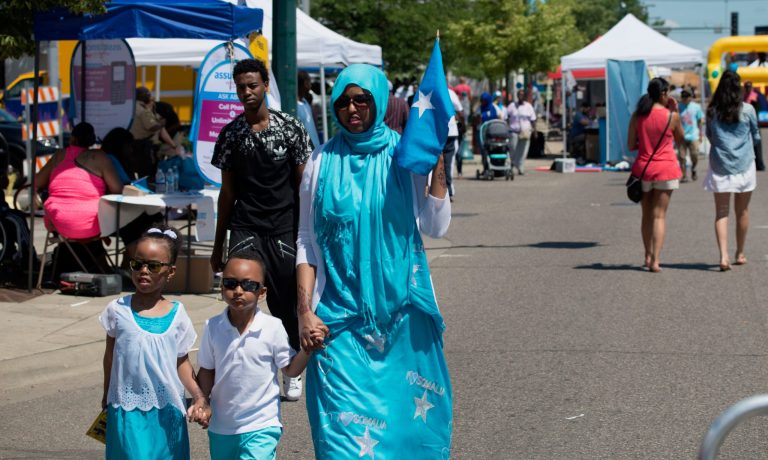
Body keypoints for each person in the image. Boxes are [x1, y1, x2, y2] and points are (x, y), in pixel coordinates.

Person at [295, 64, 453, 458]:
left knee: (406, 435)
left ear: (379, 102)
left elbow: (435, 226)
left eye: (362, 100)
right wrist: (304, 311)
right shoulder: (319, 163)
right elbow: (307, 241)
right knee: (342, 441)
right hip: (339, 319)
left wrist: (436, 163)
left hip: (403, 315)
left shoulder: (405, 154)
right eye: (343, 101)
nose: (352, 108)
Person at [210, 58, 314, 401]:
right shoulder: (230, 135)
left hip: (284, 228)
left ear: (266, 85)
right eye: (240, 86)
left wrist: (308, 235)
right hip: (246, 227)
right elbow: (227, 194)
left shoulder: (291, 128)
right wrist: (217, 244)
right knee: (240, 293)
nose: (246, 92)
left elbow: (304, 187)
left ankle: (292, 370)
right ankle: (237, 364)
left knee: (286, 303)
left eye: (252, 85)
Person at [99, 226, 208, 459]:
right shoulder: (117, 311)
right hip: (127, 410)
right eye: (137, 264)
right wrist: (107, 394)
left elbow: (182, 362)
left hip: (168, 412)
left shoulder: (178, 314)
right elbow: (110, 357)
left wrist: (199, 396)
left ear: (170, 272)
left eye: (154, 266)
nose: (144, 271)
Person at [196, 255, 311, 460]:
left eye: (249, 285)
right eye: (230, 283)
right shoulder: (212, 326)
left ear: (262, 292)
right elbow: (206, 370)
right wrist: (201, 401)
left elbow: (290, 369)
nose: (238, 291)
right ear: (221, 287)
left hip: (262, 424)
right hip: (222, 427)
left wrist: (308, 350)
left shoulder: (272, 327)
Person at [703, 70, 761, 271]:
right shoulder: (748, 110)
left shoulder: (711, 111)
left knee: (721, 212)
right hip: (745, 165)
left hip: (720, 165)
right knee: (742, 211)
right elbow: (756, 136)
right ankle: (740, 252)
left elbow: (709, 136)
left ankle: (723, 256)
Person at [627, 78, 685, 273]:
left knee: (646, 215)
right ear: (663, 94)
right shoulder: (672, 116)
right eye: (668, 92)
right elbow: (680, 139)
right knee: (659, 216)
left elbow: (631, 145)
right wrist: (676, 111)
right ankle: (656, 261)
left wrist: (644, 143)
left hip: (643, 169)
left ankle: (647, 254)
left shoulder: (637, 115)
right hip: (666, 169)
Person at [130, 87, 176, 179]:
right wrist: (160, 124)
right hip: (143, 147)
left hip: (134, 144)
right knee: (148, 174)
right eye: (149, 95)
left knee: (139, 172)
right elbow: (152, 126)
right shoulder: (143, 110)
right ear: (144, 97)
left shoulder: (132, 107)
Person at [507, 89, 537, 175]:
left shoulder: (528, 106)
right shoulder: (512, 106)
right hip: (514, 132)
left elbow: (533, 120)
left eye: (522, 95)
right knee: (513, 149)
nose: (521, 96)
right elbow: (506, 117)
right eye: (519, 94)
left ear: (525, 96)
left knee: (523, 151)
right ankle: (512, 166)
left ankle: (520, 167)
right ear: (517, 96)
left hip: (525, 132)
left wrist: (535, 131)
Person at [677, 89, 704, 182]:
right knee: (681, 157)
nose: (685, 99)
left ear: (690, 97)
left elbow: (700, 121)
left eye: (687, 97)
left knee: (694, 155)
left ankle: (693, 169)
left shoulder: (696, 107)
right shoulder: (678, 107)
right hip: (681, 136)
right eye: (683, 97)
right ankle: (684, 175)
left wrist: (701, 134)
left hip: (693, 135)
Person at [442, 86, 464, 202]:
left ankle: (436, 191)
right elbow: (460, 111)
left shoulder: (429, 90)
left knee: (436, 163)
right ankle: (449, 191)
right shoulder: (450, 93)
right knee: (448, 163)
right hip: (450, 131)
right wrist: (462, 125)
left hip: (435, 132)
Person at [297, 70, 321, 148]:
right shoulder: (294, 106)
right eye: (308, 81)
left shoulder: (305, 102)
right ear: (304, 83)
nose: (310, 85)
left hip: (316, 148)